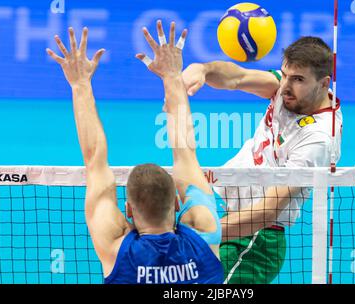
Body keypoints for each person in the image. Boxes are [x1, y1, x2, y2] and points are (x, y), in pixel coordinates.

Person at [46, 23, 224, 284]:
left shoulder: (116, 249)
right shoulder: (203, 231)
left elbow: (94, 158)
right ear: (176, 203)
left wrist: (79, 84)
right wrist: (173, 76)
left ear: (128, 210)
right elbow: (185, 151)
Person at [182, 36, 343, 283]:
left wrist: (199, 234)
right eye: (285, 74)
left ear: (324, 83)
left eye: (298, 79)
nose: (286, 86)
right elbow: (237, 77)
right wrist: (203, 69)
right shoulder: (285, 89)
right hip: (232, 221)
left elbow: (267, 212)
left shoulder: (318, 139)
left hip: (258, 240)